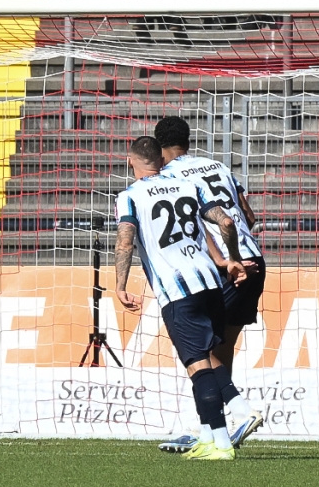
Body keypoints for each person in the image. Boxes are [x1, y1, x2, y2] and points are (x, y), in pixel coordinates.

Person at [113, 135, 247, 460]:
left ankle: (221, 445)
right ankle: (212, 433)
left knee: (197, 366)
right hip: (211, 282)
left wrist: (120, 285)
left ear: (131, 161)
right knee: (208, 359)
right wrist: (232, 258)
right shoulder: (189, 185)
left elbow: (125, 241)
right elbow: (227, 221)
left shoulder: (129, 196)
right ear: (161, 160)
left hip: (177, 290)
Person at [154, 116, 266, 449]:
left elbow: (199, 226)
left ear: (160, 149)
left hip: (226, 266)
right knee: (221, 348)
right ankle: (215, 429)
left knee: (198, 349)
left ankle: (235, 415)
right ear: (187, 141)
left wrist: (227, 258)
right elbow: (248, 216)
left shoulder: (169, 177)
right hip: (255, 260)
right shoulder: (218, 166)